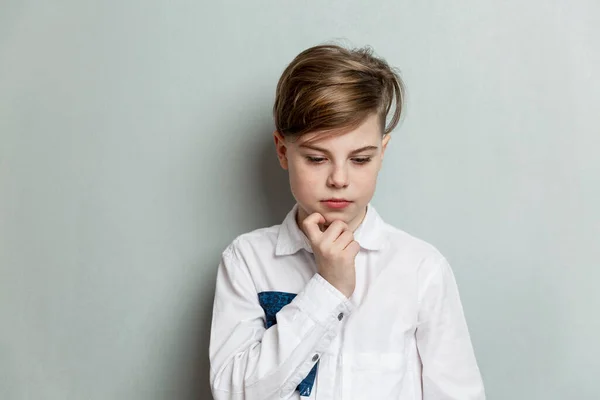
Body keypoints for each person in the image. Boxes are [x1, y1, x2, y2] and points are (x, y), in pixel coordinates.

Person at [208, 43, 485, 400]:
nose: (339, 179)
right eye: (316, 158)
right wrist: (328, 288)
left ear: (382, 153)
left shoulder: (420, 269)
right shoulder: (246, 261)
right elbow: (235, 393)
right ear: (282, 151)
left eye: (360, 159)